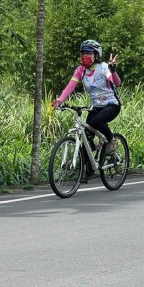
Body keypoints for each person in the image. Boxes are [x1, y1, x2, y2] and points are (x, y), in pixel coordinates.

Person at [53, 40, 121, 182]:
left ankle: (111, 140)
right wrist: (60, 101)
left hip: (111, 105)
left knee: (96, 121)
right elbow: (70, 86)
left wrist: (113, 71)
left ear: (96, 55)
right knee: (87, 137)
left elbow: (117, 83)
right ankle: (87, 170)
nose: (85, 56)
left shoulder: (103, 67)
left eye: (89, 53)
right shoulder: (81, 70)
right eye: (83, 53)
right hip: (95, 107)